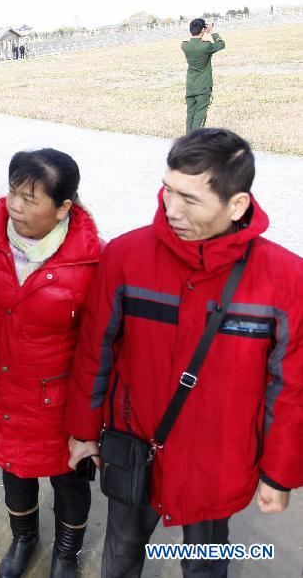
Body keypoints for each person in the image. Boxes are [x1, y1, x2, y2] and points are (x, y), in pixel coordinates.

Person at [67, 128, 303, 577]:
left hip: (219, 459)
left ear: (237, 204)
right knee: (122, 553)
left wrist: (279, 472)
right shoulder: (125, 257)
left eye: (189, 199)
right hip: (136, 445)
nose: (170, 209)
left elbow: (291, 387)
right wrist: (83, 430)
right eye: (167, 190)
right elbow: (94, 351)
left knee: (206, 564)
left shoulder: (286, 280)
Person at [0, 149, 104, 578]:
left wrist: (92, 413)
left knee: (69, 477)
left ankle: (67, 552)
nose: (14, 205)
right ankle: (24, 538)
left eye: (30, 199)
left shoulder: (92, 259)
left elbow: (100, 344)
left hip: (59, 397)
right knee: (14, 467)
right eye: (13, 192)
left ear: (63, 208)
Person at [181, 18, 226, 133]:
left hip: (190, 86)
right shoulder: (206, 46)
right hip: (203, 86)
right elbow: (221, 44)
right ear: (202, 29)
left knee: (190, 116)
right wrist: (211, 32)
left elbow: (192, 40)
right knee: (199, 118)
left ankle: (188, 144)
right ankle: (196, 144)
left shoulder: (184, 45)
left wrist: (198, 28)